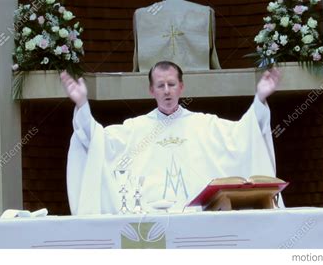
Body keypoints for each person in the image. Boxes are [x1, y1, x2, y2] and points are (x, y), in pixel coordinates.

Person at [61, 61, 281, 215]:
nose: (167, 91)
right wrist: (82, 105)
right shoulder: (135, 129)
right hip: (149, 220)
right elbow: (97, 141)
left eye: (172, 84)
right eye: (160, 85)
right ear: (151, 90)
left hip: (200, 217)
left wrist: (259, 99)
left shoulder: (204, 124)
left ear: (181, 87)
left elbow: (244, 134)